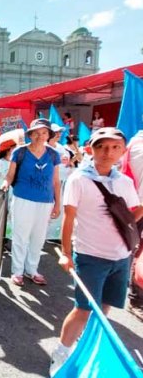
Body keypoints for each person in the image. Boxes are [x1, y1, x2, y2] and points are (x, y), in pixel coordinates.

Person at [50, 127, 143, 375]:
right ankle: (61, 353)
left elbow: (133, 213)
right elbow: (68, 220)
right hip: (90, 257)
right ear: (92, 149)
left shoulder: (124, 182)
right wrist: (65, 253)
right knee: (83, 309)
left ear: (122, 152)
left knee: (104, 309)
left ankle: (88, 345)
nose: (108, 152)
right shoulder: (79, 179)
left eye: (114, 147)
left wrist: (135, 215)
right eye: (102, 146)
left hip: (121, 257)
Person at [1, 119, 61, 287]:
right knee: (21, 236)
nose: (40, 136)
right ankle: (17, 271)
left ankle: (32, 270)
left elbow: (56, 181)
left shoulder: (53, 154)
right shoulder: (19, 152)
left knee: (38, 237)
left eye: (44, 132)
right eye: (36, 132)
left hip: (45, 201)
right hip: (23, 199)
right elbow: (10, 175)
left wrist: (57, 204)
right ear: (31, 134)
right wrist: (5, 184)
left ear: (49, 135)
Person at [119, 130, 143, 321]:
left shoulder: (134, 143)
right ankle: (136, 298)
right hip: (136, 207)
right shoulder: (138, 147)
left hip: (134, 206)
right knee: (135, 250)